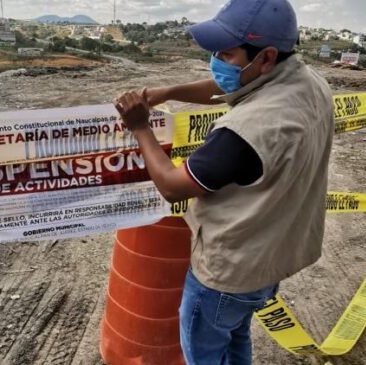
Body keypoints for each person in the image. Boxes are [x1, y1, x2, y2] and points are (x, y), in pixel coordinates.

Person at [113, 0, 334, 364]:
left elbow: (171, 185)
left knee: (204, 349)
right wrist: (168, 92)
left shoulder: (245, 132)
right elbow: (225, 85)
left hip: (229, 272)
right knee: (236, 334)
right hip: (271, 257)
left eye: (226, 53)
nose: (216, 60)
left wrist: (139, 127)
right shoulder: (306, 82)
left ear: (264, 57)